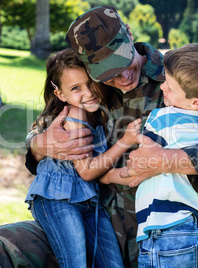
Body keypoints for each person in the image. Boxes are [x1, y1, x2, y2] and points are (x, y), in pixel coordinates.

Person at [0, 5, 198, 268]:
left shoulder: (179, 77)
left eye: (124, 61)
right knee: (4, 244)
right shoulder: (89, 88)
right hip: (96, 228)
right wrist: (39, 144)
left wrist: (167, 160)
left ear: (128, 32)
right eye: (109, 73)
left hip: (160, 236)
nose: (123, 76)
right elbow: (47, 123)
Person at [101, 42, 198, 267]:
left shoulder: (162, 119)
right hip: (188, 229)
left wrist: (105, 175)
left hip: (164, 234)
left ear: (195, 101)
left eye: (169, 86)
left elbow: (137, 167)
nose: (162, 89)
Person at [25, 48, 141, 267]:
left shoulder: (95, 114)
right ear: (60, 94)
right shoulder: (75, 114)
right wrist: (125, 141)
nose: (88, 93)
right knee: (75, 263)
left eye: (90, 83)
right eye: (76, 88)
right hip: (58, 198)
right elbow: (87, 171)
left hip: (91, 201)